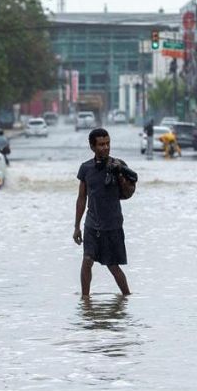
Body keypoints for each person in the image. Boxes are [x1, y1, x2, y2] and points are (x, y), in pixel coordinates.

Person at [73, 128, 137, 301]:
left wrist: (120, 175)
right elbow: (81, 198)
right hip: (92, 224)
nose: (105, 147)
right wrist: (77, 226)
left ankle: (127, 299)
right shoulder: (85, 168)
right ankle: (85, 301)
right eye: (101, 144)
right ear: (92, 147)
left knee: (113, 266)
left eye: (108, 144)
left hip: (113, 224)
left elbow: (128, 193)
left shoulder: (118, 165)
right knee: (87, 260)